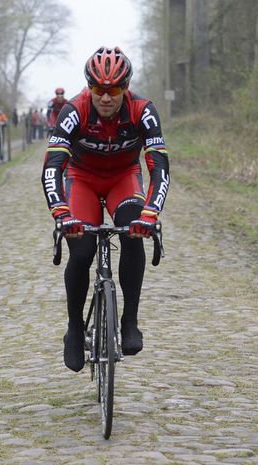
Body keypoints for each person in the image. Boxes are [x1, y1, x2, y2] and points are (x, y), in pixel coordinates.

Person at [41, 46, 170, 372]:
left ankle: (129, 320)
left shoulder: (143, 110)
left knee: (133, 232)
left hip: (123, 179)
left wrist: (150, 214)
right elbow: (52, 166)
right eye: (99, 89)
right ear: (89, 87)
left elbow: (159, 167)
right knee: (81, 252)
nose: (107, 97)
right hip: (82, 179)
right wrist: (61, 213)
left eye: (114, 90)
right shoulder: (74, 109)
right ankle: (74, 329)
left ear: (126, 87)